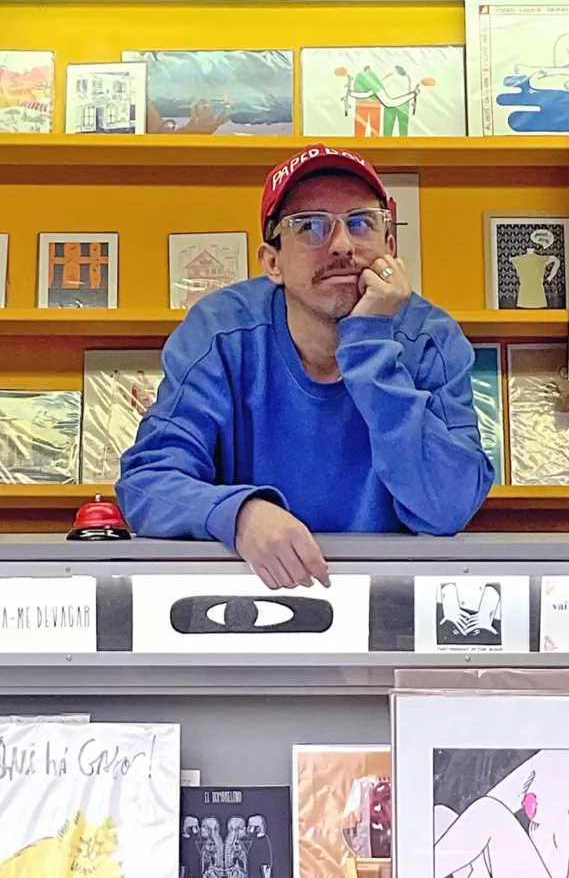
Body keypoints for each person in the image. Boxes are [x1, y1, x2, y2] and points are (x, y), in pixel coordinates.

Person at [117, 145, 493, 585]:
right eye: (310, 226)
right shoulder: (220, 332)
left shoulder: (431, 339)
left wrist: (369, 341)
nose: (342, 245)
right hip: (244, 597)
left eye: (361, 223)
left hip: (391, 603)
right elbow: (146, 484)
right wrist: (240, 515)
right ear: (272, 262)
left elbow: (448, 505)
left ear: (389, 248)